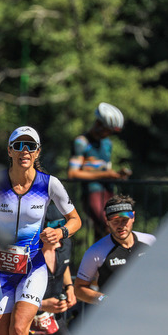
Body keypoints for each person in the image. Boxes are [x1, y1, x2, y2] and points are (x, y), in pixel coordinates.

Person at [0, 126, 82, 335]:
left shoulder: (49, 184)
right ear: (9, 151)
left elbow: (75, 219)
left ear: (37, 152)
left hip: (33, 266)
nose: (24, 151)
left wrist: (61, 232)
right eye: (18, 146)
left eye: (31, 146)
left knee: (19, 329)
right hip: (0, 269)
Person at [74, 194, 155, 304]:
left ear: (133, 217)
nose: (121, 226)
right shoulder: (95, 251)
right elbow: (79, 289)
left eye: (125, 220)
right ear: (107, 221)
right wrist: (104, 300)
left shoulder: (150, 241)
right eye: (115, 221)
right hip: (116, 312)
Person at [67, 102, 131, 239]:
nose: (109, 134)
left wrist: (116, 175)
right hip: (92, 192)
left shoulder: (107, 144)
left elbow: (105, 169)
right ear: (99, 125)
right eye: (108, 130)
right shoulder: (82, 142)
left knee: (104, 232)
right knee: (110, 227)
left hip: (108, 192)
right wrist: (105, 174)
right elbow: (73, 173)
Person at [28, 205, 77, 335]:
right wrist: (41, 304)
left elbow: (64, 263)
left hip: (53, 321)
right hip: (26, 324)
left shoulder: (65, 244)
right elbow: (9, 294)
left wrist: (69, 287)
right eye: (54, 230)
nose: (59, 238)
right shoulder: (24, 253)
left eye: (62, 228)